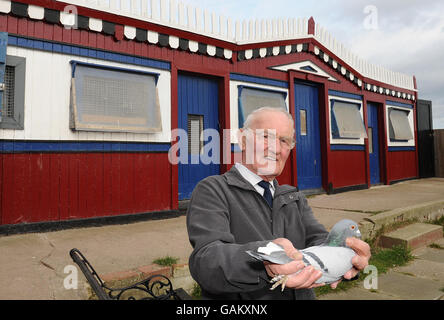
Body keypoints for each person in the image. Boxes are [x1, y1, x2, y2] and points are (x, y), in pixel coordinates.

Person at [186, 107, 371, 300]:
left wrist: (347, 254)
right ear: (242, 140)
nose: (275, 148)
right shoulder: (213, 190)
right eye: (266, 136)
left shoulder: (293, 197)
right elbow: (206, 261)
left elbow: (319, 241)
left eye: (284, 140)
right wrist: (265, 259)